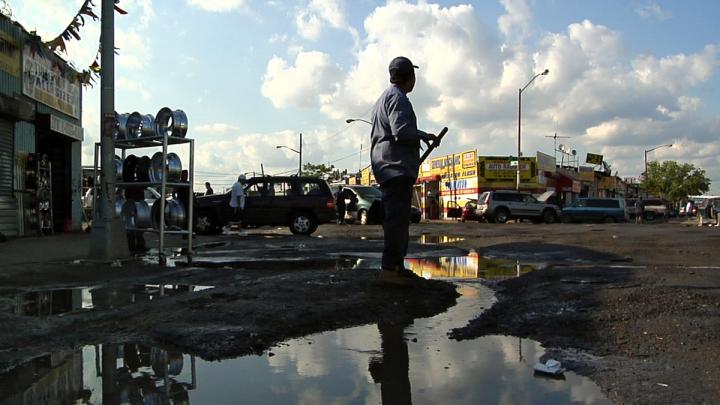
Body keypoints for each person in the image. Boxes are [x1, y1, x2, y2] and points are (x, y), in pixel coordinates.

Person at [370, 56, 437, 286]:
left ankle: (397, 267)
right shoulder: (397, 99)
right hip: (395, 168)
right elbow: (401, 131)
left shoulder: (384, 98)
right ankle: (390, 271)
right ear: (410, 77)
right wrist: (423, 135)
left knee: (398, 220)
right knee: (397, 221)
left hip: (389, 166)